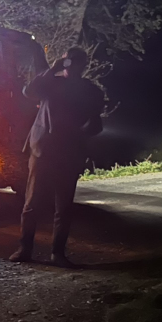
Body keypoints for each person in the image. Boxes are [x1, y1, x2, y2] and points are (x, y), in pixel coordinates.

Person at [10, 46, 104, 267]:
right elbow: (28, 91)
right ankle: (25, 248)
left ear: (83, 65)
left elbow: (96, 124)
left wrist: (78, 135)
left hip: (68, 152)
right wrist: (52, 69)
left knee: (64, 206)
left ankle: (58, 253)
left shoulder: (90, 91)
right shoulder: (52, 83)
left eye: (74, 62)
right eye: (67, 61)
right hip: (42, 150)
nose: (70, 65)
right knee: (32, 202)